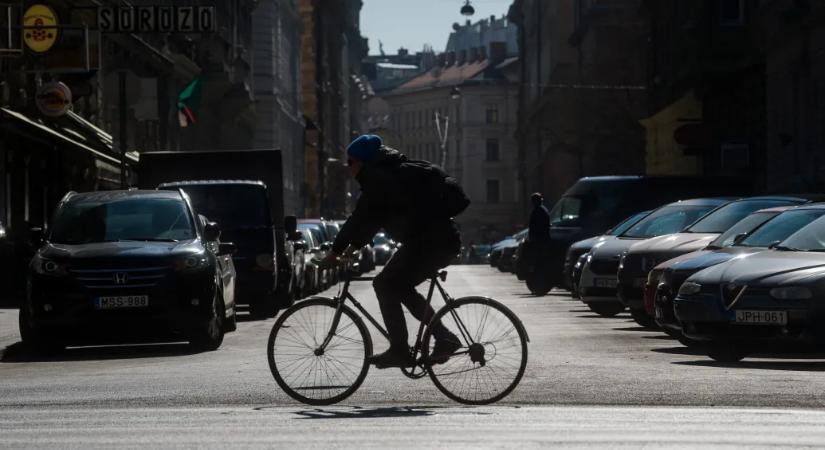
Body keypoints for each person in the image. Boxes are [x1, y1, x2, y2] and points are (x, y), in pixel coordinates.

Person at [320, 134, 463, 369]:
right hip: (435, 241)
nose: (348, 168)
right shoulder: (389, 175)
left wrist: (334, 252)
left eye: (350, 162)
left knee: (385, 285)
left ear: (362, 162)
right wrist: (354, 247)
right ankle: (442, 338)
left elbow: (359, 219)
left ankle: (402, 349)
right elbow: (373, 219)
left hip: (431, 243)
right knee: (399, 286)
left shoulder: (378, 180)